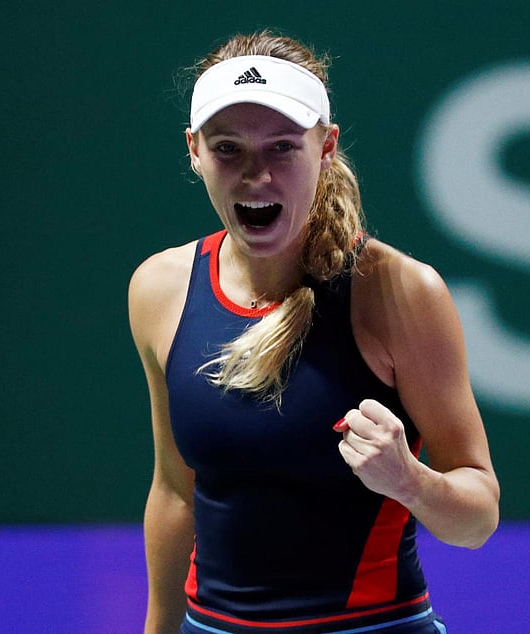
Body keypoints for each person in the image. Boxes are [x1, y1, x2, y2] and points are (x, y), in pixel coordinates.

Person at [128, 30, 500, 634]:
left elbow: (478, 517)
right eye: (228, 149)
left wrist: (409, 479)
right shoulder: (158, 289)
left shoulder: (399, 292)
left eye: (281, 148)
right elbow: (174, 491)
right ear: (193, 150)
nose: (257, 176)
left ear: (325, 147)